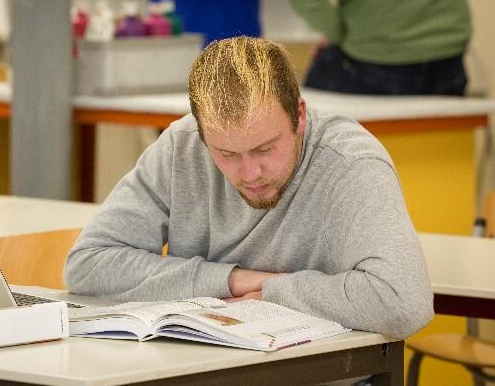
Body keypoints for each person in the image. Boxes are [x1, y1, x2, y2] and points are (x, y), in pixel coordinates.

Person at [64, 36, 433, 339]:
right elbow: (89, 264)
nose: (250, 172)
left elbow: (404, 301)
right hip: (200, 369)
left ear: (299, 116)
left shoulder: (349, 162)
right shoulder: (183, 145)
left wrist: (274, 293)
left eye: (265, 148)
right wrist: (236, 280)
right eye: (225, 153)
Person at [289, 0, 471, 95]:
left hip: (371, 59)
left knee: (303, 117)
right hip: (448, 53)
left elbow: (307, 1)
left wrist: (339, 34)